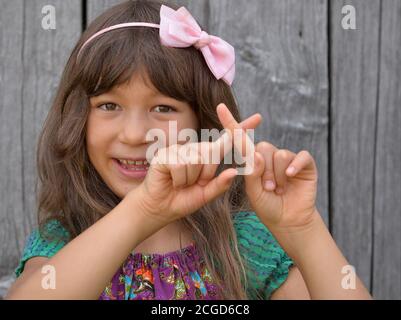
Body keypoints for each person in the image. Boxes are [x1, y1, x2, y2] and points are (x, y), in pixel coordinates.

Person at [6, 0, 372, 300]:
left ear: (202, 125)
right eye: (109, 106)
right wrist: (143, 210)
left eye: (163, 108)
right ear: (77, 120)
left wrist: (304, 230)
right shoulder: (66, 239)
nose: (135, 135)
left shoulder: (241, 242)